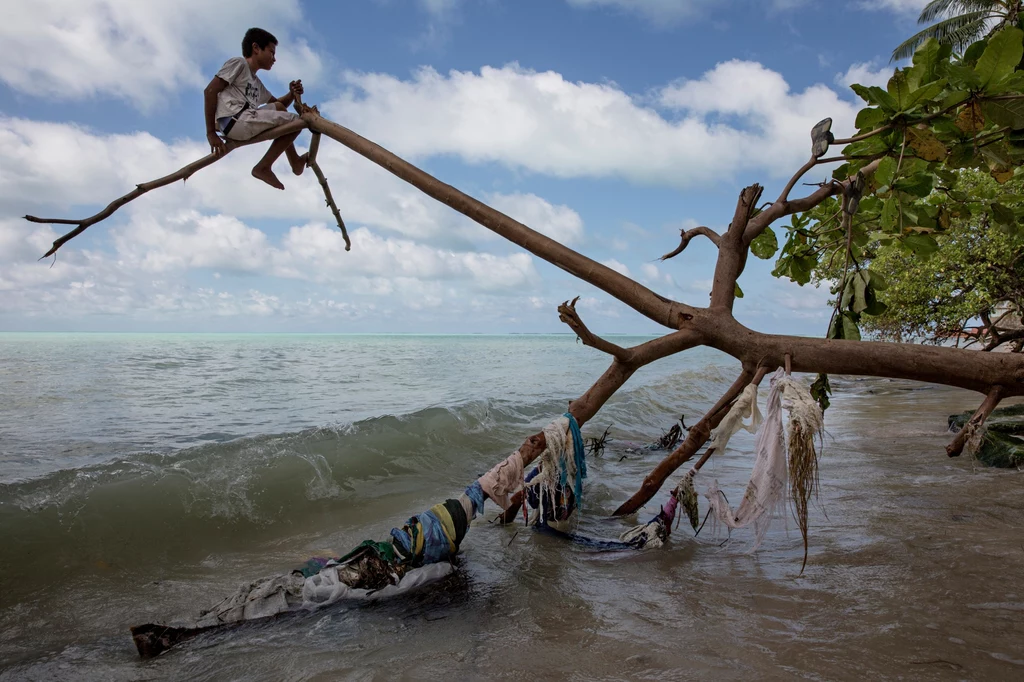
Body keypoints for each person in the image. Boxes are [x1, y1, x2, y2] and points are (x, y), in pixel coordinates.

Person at [204, 27, 308, 190]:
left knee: (281, 109)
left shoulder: (256, 83)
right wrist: (211, 133)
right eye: (271, 52)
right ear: (256, 48)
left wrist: (292, 93)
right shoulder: (239, 64)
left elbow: (279, 107)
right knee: (298, 121)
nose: (274, 58)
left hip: (244, 120)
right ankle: (264, 167)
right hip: (235, 119)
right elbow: (210, 91)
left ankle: (294, 161)